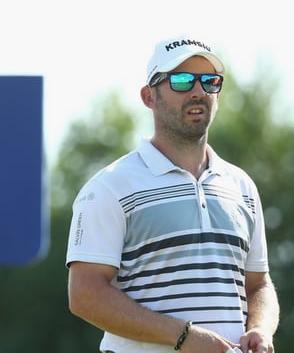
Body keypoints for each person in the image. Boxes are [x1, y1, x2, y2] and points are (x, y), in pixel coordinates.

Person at [66, 35, 280, 353]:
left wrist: (260, 328)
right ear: (148, 96)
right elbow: (84, 295)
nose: (198, 91)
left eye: (210, 81)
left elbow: (259, 284)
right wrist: (182, 336)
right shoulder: (109, 187)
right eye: (181, 80)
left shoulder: (241, 186)